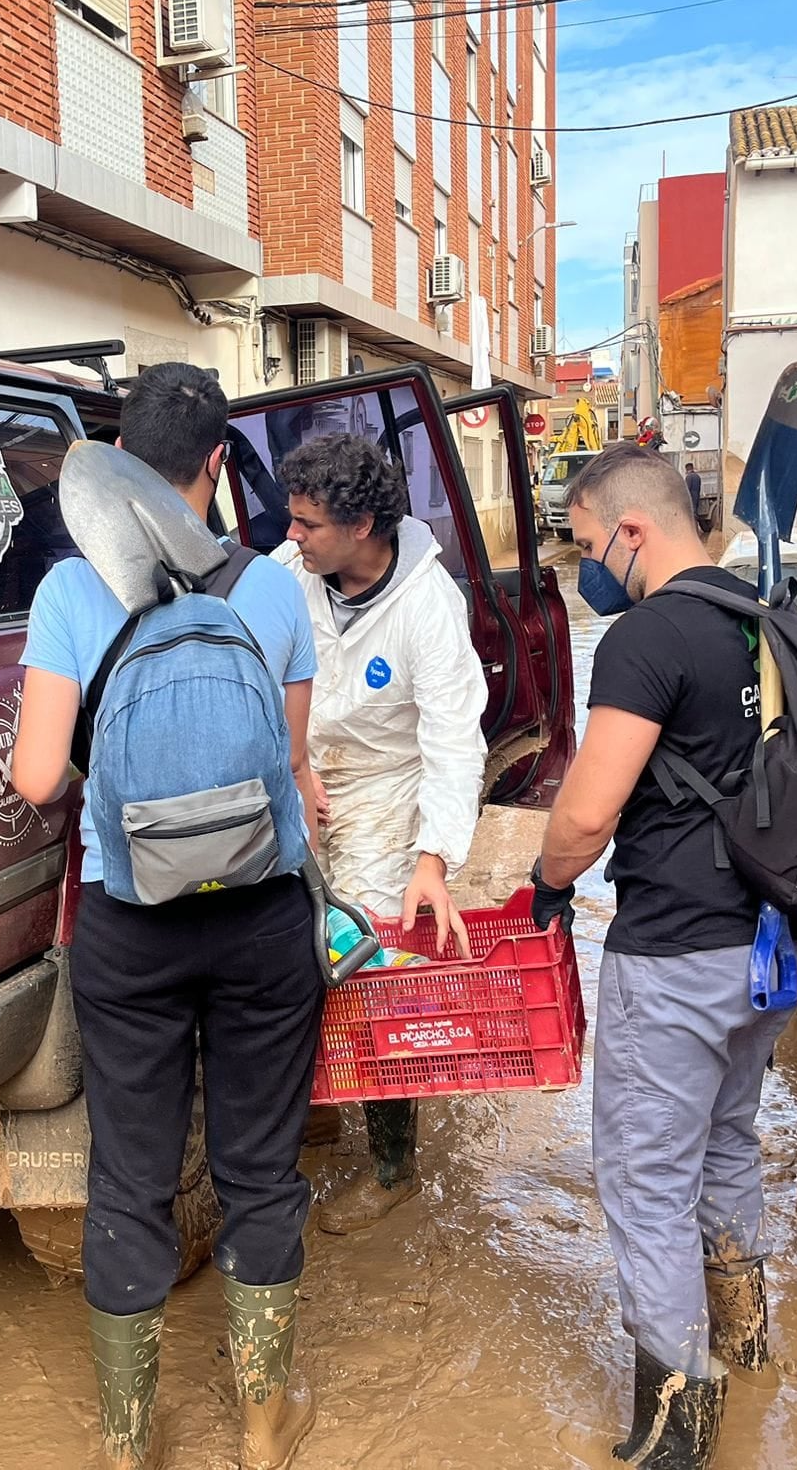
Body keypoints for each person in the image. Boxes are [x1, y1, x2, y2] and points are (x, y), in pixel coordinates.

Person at [10, 364, 323, 1470]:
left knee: (131, 1178)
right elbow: (288, 768)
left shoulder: (63, 594)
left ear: (117, 467)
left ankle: (128, 1440)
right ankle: (258, 1425)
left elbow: (39, 777)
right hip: (261, 922)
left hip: (128, 925)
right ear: (215, 467)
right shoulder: (275, 589)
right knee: (258, 1170)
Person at [528, 445, 794, 1470]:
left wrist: (550, 883)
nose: (586, 564)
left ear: (629, 531)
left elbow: (587, 811)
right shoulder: (764, 617)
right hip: (769, 949)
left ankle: (676, 1429)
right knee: (726, 1144)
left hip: (675, 953)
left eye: (587, 543)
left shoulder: (645, 637)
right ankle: (745, 1338)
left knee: (643, 1181)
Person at [270, 432, 488, 1235]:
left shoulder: (428, 606)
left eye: (307, 524)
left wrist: (432, 862)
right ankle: (318, 1106)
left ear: (361, 524)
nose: (291, 536)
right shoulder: (291, 575)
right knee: (281, 942)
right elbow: (258, 675)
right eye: (290, 521)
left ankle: (394, 1164)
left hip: (388, 792)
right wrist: (290, 764)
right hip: (301, 774)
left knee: (364, 965)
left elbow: (453, 743)